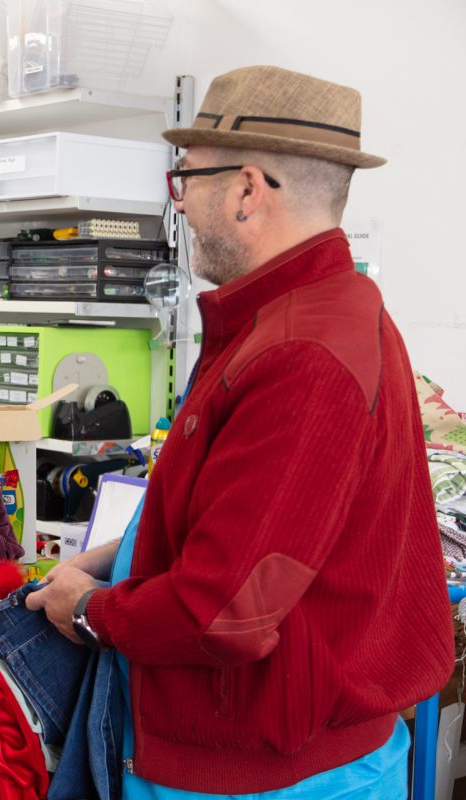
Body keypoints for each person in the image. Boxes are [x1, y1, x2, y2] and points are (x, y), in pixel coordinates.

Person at [26, 66, 455, 796]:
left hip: (270, 775)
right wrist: (113, 559)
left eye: (185, 179)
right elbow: (254, 529)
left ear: (247, 189)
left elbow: (224, 611)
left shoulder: (301, 355)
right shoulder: (296, 319)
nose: (182, 203)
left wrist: (91, 612)